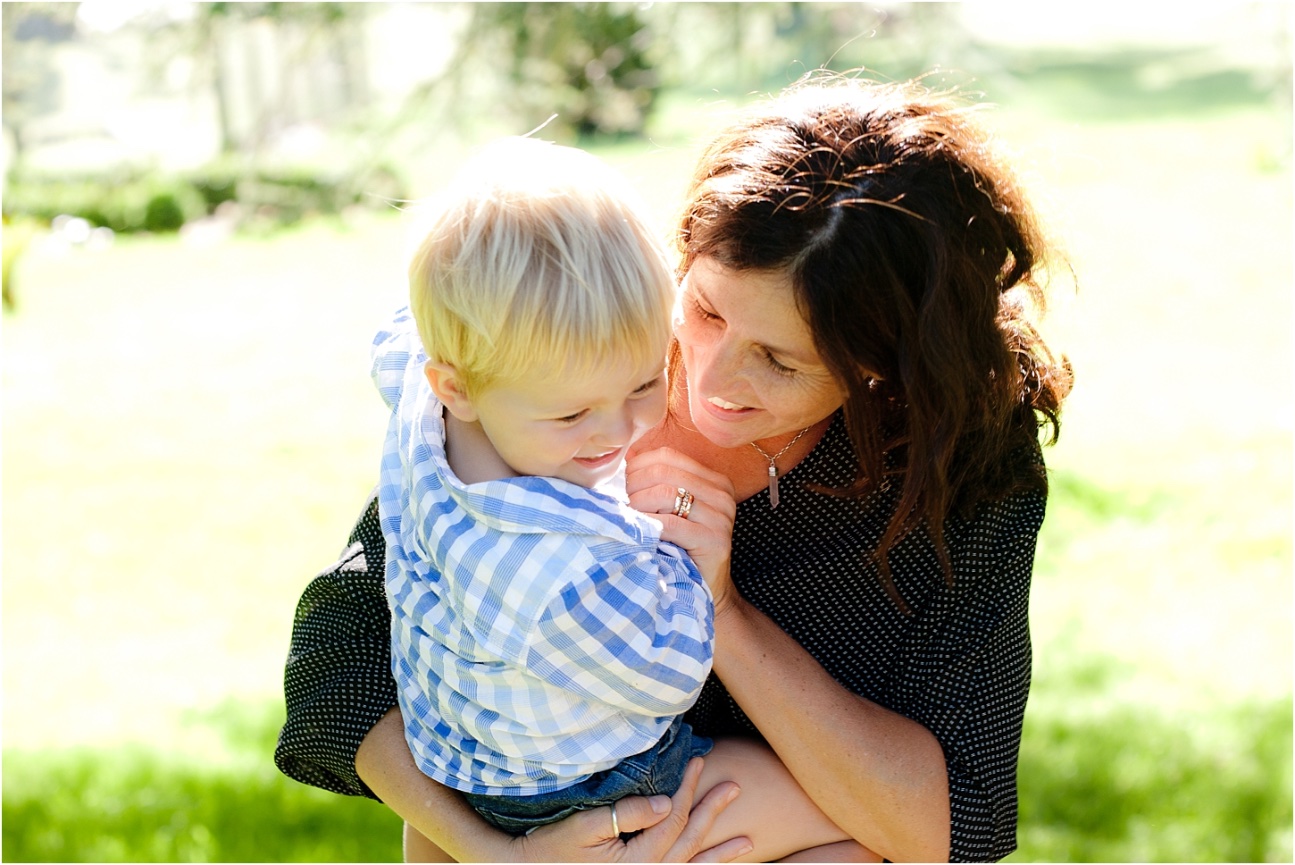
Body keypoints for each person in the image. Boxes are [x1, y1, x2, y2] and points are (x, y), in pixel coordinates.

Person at [276, 73, 1072, 863]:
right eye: (706, 309)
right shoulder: (578, 362)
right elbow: (339, 664)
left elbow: (957, 817)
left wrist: (721, 611)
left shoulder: (961, 464)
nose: (711, 378)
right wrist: (491, 849)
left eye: (779, 361)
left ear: (882, 368)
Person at [361, 136, 871, 861]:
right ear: (458, 387)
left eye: (639, 383)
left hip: (472, 763)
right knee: (851, 825)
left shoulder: (431, 390)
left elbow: (396, 337)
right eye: (572, 414)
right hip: (592, 787)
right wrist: (690, 570)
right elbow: (665, 669)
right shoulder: (551, 563)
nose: (619, 430)